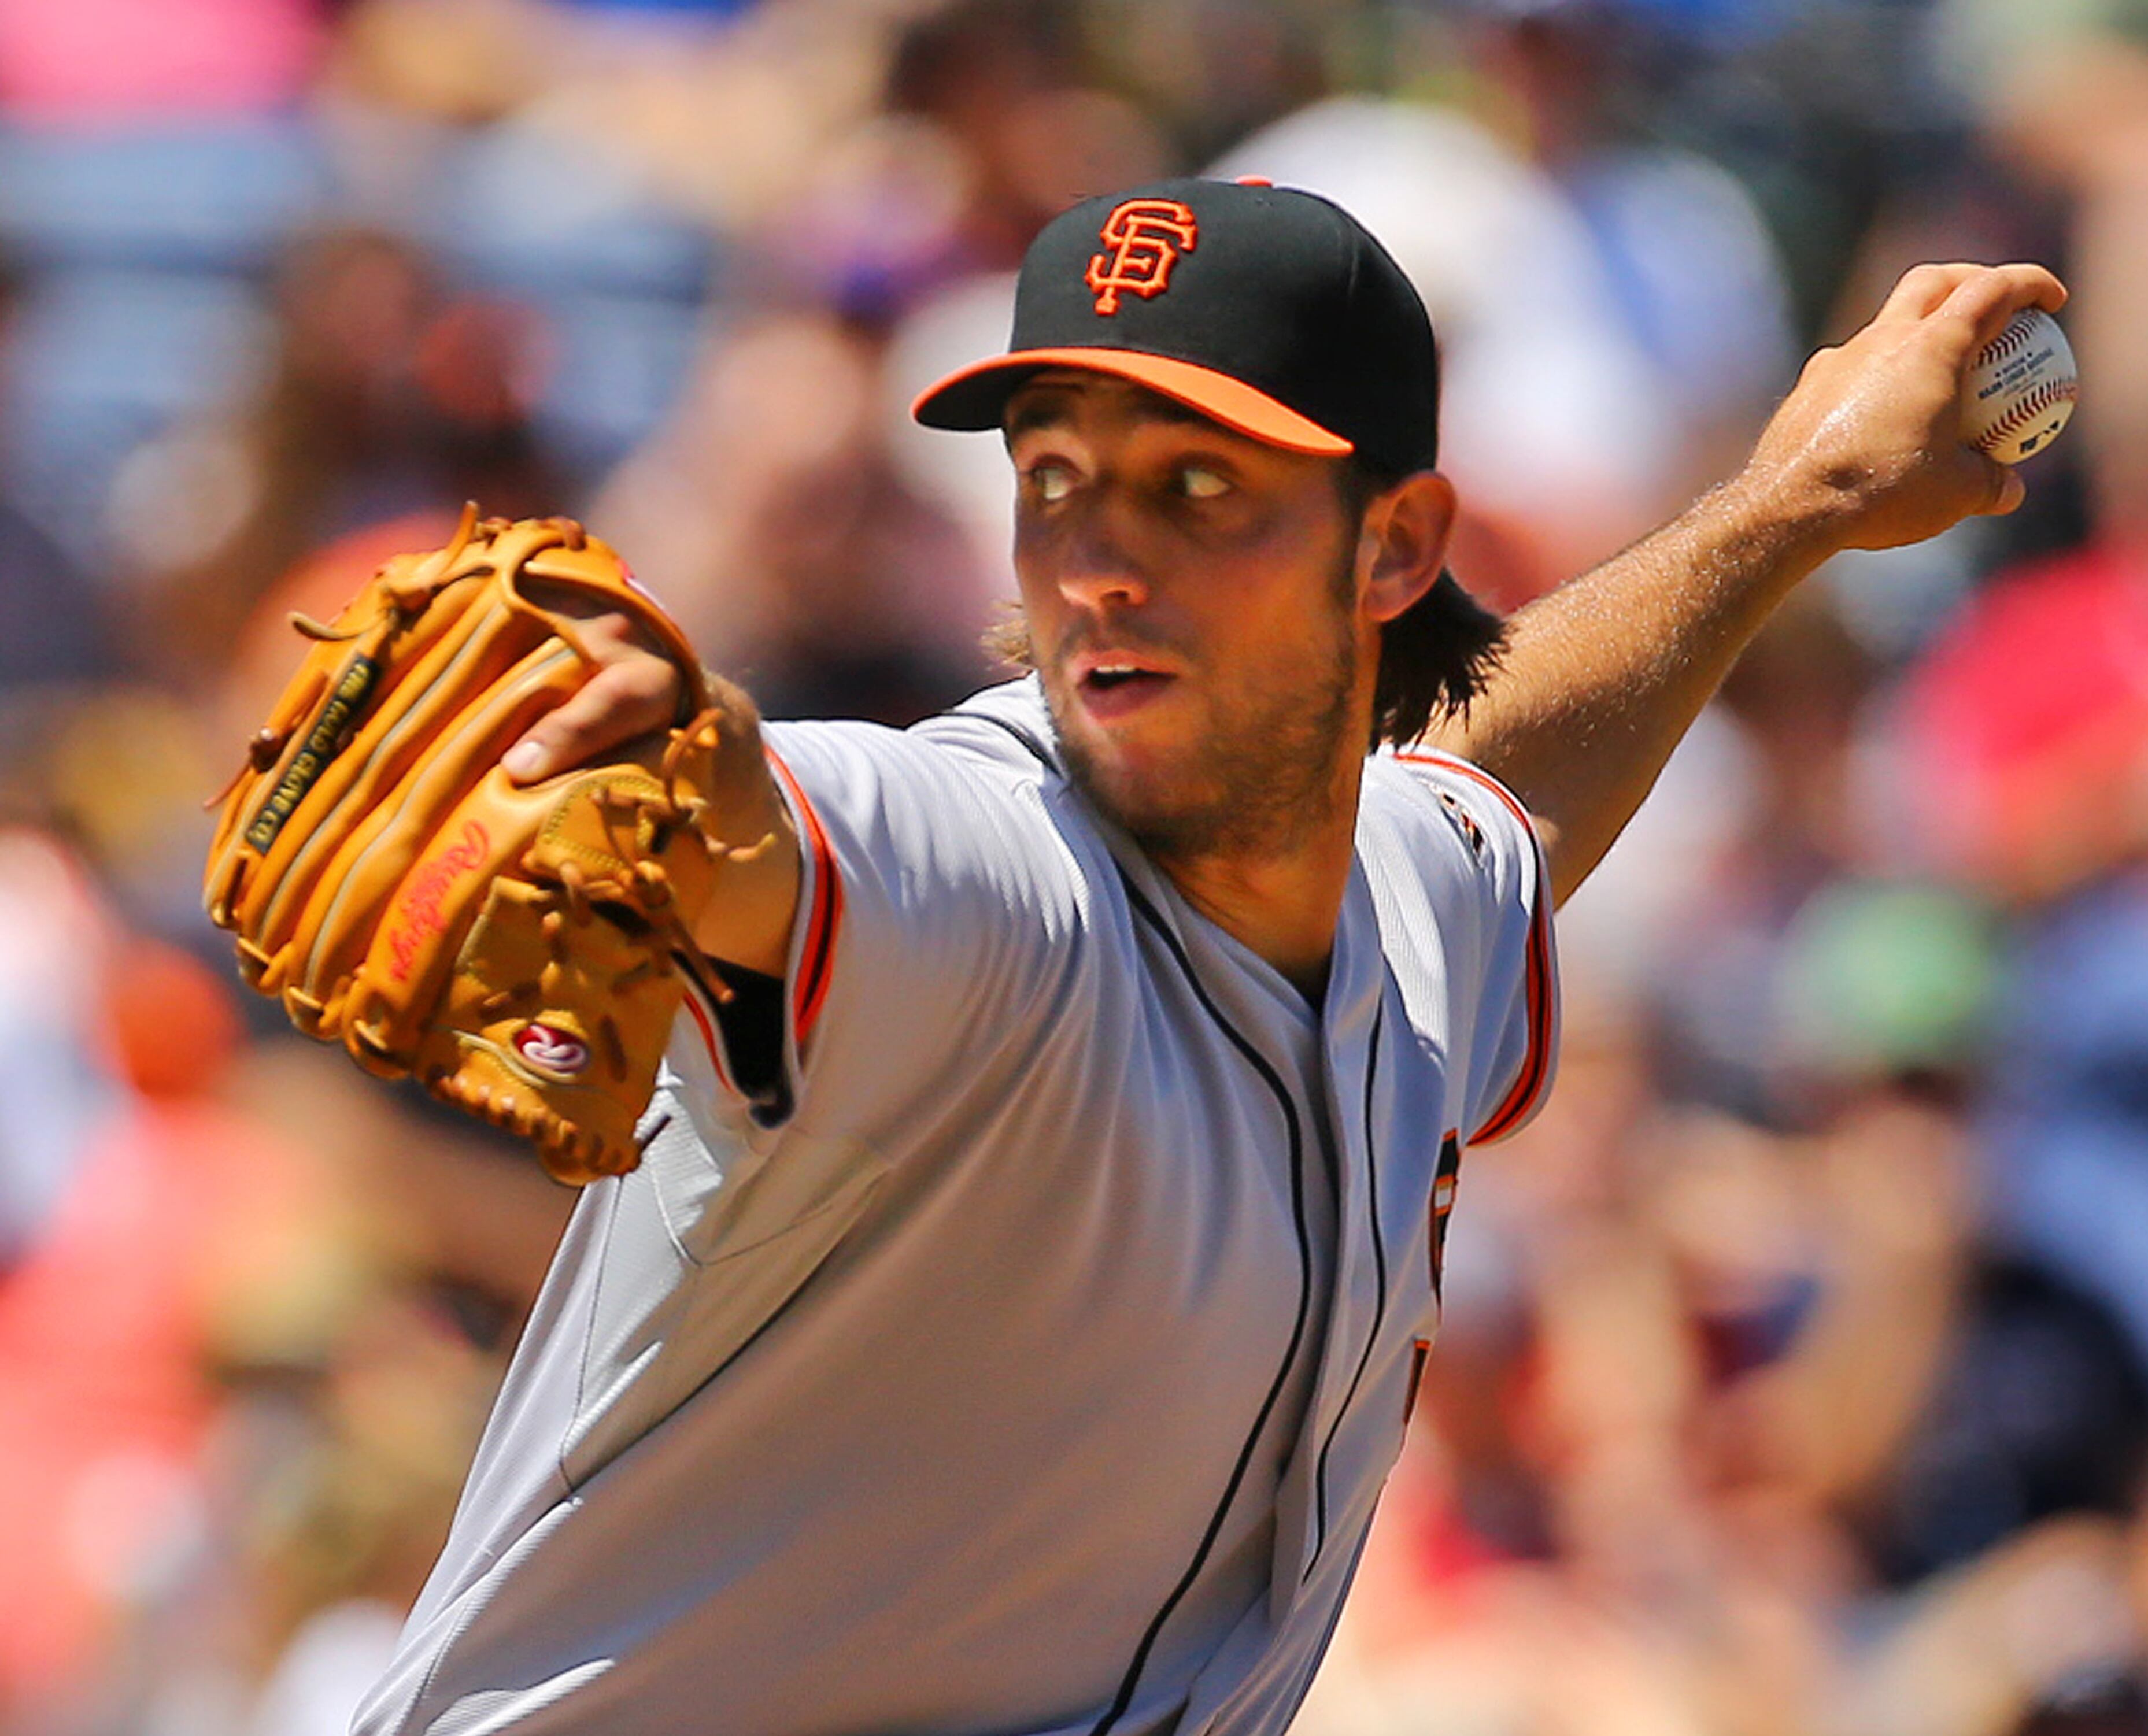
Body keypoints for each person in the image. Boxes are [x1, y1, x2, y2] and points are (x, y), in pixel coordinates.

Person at [349, 177, 2061, 1735]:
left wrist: (1797, 499)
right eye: (1055, 482)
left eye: (1196, 488)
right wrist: (660, 765)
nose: (1102, 564)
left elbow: (1505, 785)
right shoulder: (988, 876)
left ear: (1395, 548)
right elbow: (786, 837)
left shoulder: (1404, 909)